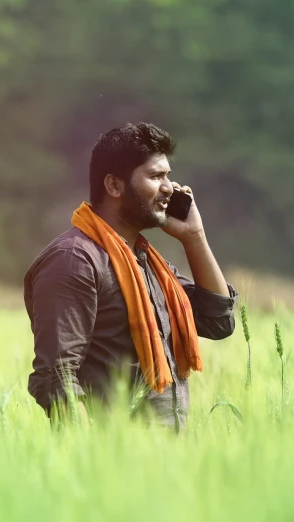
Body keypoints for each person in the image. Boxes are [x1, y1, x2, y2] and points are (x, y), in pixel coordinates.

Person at [24, 122, 238, 430]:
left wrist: (195, 237)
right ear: (114, 186)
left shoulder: (147, 263)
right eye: (155, 176)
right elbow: (57, 377)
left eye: (168, 176)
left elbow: (218, 321)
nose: (169, 188)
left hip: (164, 467)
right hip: (113, 465)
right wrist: (87, 463)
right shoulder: (74, 260)